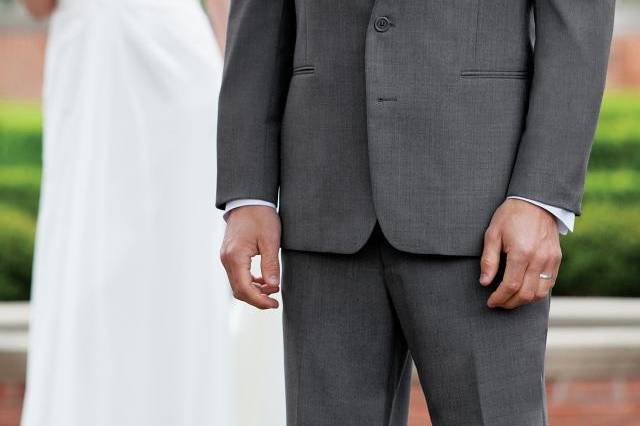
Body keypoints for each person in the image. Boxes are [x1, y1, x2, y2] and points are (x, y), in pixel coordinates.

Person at [217, 0, 615, 424]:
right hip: (325, 200)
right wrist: (249, 195)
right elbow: (258, 25)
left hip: (483, 215)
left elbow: (579, 26)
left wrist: (540, 197)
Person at [21, 0, 231, 424]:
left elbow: (38, 6)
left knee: (94, 263)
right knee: (181, 268)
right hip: (160, 54)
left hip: (107, 59)